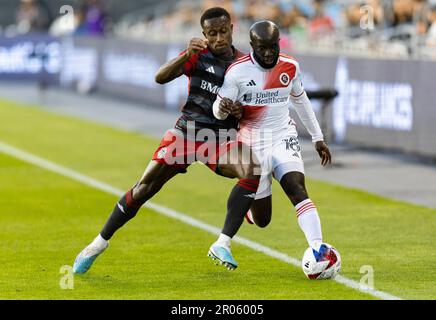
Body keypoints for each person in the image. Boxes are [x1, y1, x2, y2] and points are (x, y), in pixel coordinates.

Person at [72, 7, 260, 273]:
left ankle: (223, 242)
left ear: (232, 28)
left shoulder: (244, 65)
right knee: (144, 189)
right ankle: (98, 244)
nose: (218, 38)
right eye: (212, 33)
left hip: (219, 140)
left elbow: (252, 107)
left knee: (252, 169)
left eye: (223, 31)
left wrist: (241, 110)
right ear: (204, 34)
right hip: (187, 134)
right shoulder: (198, 56)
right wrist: (186, 54)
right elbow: (160, 77)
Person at [212, 20, 331, 258]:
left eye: (273, 47)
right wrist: (222, 108)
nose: (268, 53)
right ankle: (251, 212)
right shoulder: (237, 72)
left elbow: (301, 101)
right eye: (262, 48)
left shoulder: (290, 66)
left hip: (283, 136)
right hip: (253, 144)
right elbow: (218, 109)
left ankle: (319, 249)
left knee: (296, 188)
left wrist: (317, 137)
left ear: (279, 43)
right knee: (263, 219)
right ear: (252, 45)